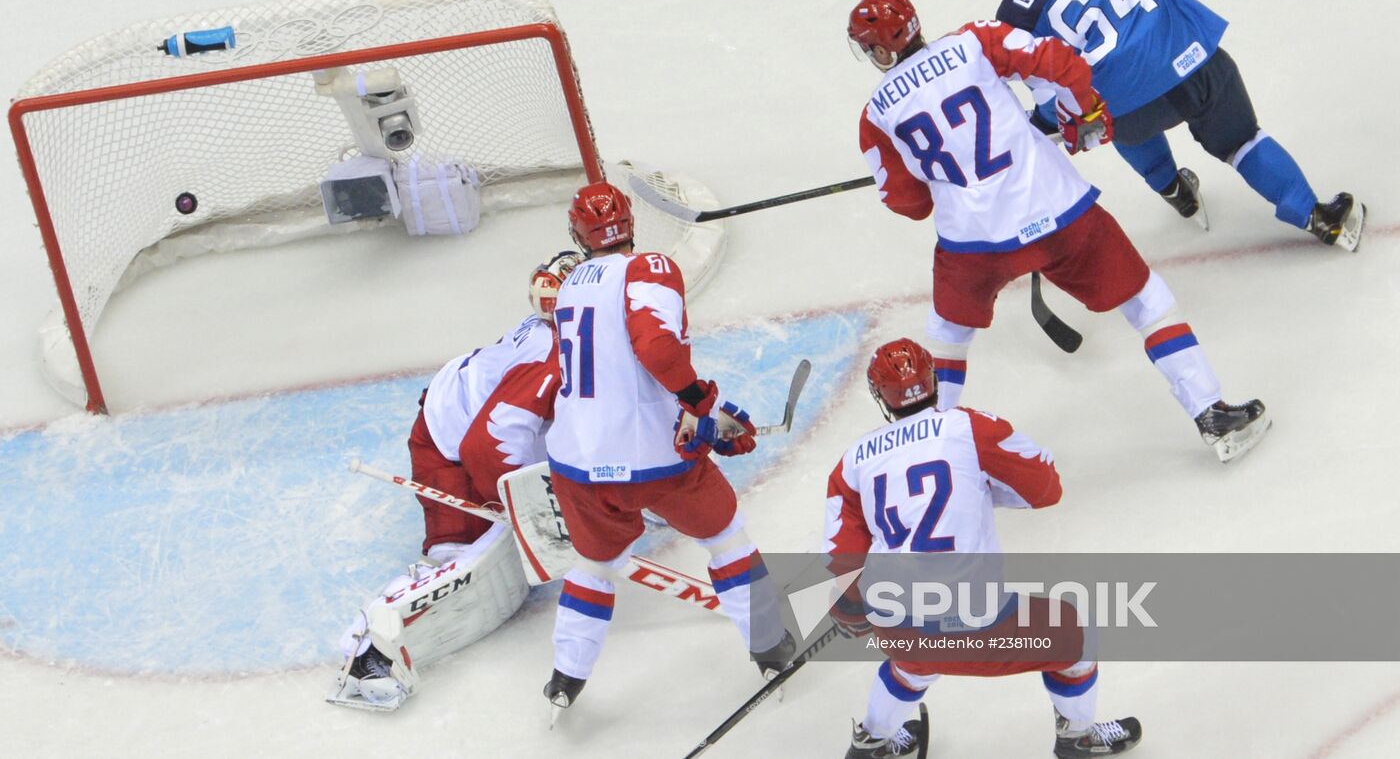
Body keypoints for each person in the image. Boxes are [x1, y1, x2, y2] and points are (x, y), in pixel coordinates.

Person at [846, 0, 1269, 462]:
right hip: (1058, 212)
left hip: (972, 243)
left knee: (947, 332)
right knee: (1146, 301)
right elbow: (1059, 60)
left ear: (880, 49)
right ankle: (1210, 412)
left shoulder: (875, 116)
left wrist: (932, 174)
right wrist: (1082, 111)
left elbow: (910, 205)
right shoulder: (974, 42)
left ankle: (928, 451)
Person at [971, 0, 1365, 251]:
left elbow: (1051, 96)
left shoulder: (1015, 15)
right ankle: (1318, 217)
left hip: (1122, 107)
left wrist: (1036, 128)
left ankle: (1176, 192)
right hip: (1188, 61)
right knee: (1242, 141)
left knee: (1118, 120)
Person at [542, 180, 792, 719]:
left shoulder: (567, 287)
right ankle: (773, 648)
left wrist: (700, 410)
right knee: (726, 538)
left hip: (575, 464)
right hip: (650, 461)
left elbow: (613, 376)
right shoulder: (647, 267)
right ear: (629, 225)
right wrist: (704, 406)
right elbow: (657, 349)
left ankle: (567, 677)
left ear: (578, 234)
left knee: (593, 565)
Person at [826, 338, 1143, 758]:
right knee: (1076, 637)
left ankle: (873, 741)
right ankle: (1078, 737)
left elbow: (840, 552)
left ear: (879, 395)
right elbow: (1046, 488)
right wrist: (984, 487)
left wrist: (849, 602)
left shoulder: (853, 460)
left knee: (911, 657)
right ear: (933, 382)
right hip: (976, 624)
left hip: (897, 622)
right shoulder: (969, 426)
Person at [328, 249, 582, 711]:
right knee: (457, 562)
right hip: (448, 447)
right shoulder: (554, 351)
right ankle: (368, 651)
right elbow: (487, 445)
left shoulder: (563, 334)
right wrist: (520, 513)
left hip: (472, 423)